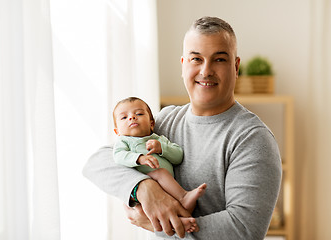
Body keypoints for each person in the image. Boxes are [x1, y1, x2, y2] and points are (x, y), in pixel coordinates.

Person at [83, 16, 282, 239]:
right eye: (196, 59)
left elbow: (243, 230)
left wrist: (159, 225)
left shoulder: (252, 138)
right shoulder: (165, 120)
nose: (206, 71)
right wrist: (145, 189)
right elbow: (97, 163)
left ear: (235, 67)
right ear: (183, 65)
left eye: (219, 59)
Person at [112, 97, 207, 233]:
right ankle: (183, 197)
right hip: (142, 188)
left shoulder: (158, 139)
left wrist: (162, 148)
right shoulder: (124, 141)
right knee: (160, 173)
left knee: (169, 206)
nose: (132, 118)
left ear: (151, 124)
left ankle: (181, 221)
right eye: (124, 117)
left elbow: (178, 156)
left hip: (167, 189)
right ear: (117, 132)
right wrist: (139, 158)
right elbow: (118, 156)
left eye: (139, 114)